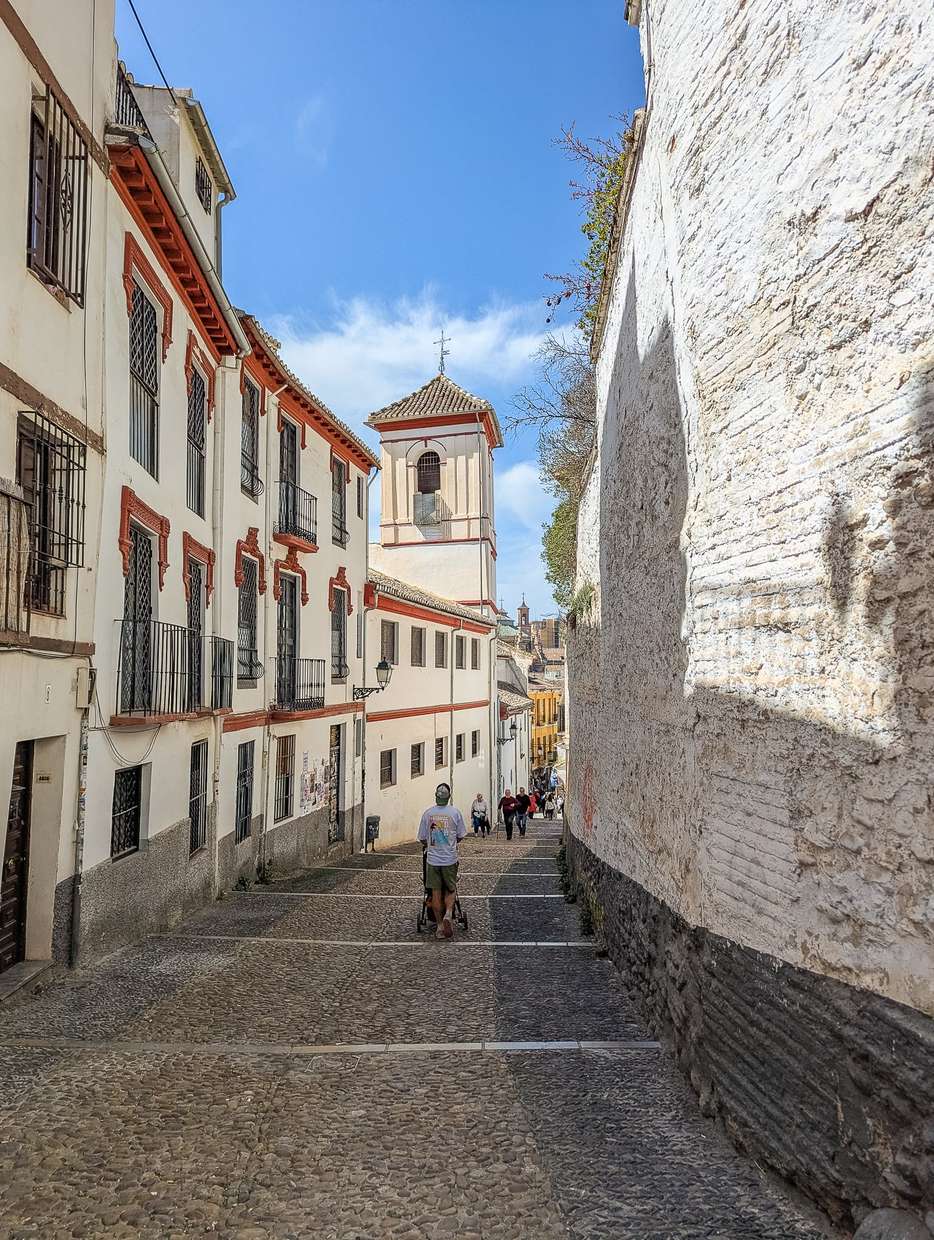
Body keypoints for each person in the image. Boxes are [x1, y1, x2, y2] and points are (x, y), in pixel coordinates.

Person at [417, 783, 467, 939]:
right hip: (449, 859)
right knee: (451, 889)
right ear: (449, 797)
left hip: (433, 860)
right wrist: (451, 843)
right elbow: (460, 835)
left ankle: (439, 927)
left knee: (435, 893)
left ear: (436, 796)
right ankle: (449, 913)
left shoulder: (428, 814)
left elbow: (422, 838)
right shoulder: (455, 813)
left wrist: (431, 844)